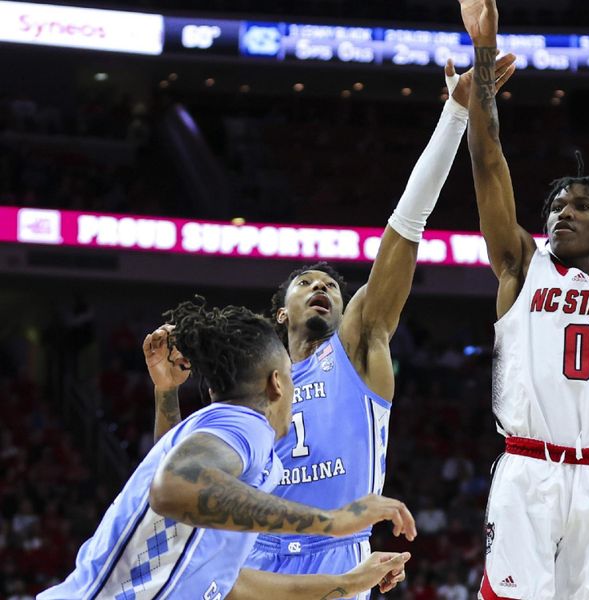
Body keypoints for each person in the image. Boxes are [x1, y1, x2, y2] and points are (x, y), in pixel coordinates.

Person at [150, 63, 515, 599]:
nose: (321, 287)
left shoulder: (356, 349)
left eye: (331, 285)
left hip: (338, 555)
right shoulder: (249, 377)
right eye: (305, 282)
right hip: (252, 561)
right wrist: (166, 397)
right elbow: (178, 482)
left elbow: (405, 228)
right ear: (280, 313)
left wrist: (455, 114)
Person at [458, 0, 589, 598]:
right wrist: (482, 55)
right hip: (528, 471)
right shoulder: (522, 267)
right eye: (555, 205)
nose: (561, 212)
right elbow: (487, 161)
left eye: (580, 205)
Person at [40, 299, 414, 600]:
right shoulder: (244, 424)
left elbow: (234, 584)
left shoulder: (237, 445)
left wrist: (351, 581)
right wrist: (334, 521)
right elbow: (173, 488)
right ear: (277, 384)